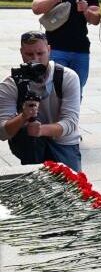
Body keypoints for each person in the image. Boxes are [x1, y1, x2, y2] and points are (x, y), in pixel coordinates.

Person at [0, 32, 81, 171]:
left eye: (40, 53)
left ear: (49, 50)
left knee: (73, 183)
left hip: (63, 141)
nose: (35, 59)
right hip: (29, 142)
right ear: (21, 53)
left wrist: (41, 130)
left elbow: (70, 122)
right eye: (29, 55)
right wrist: (23, 116)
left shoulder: (67, 77)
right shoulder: (11, 83)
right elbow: (2, 132)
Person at [31, 0, 101, 92]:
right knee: (55, 91)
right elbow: (36, 8)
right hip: (56, 48)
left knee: (76, 91)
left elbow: (96, 19)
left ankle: (72, 114)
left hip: (81, 51)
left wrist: (86, 10)